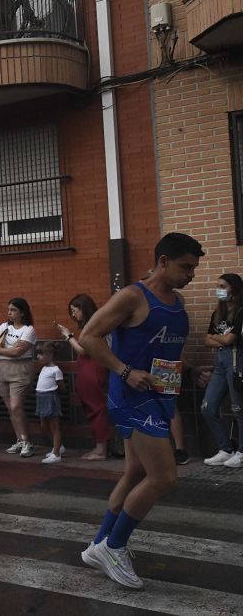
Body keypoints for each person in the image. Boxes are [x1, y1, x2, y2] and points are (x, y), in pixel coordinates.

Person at [79, 232, 204, 589]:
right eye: (185, 267)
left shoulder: (176, 302)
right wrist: (124, 371)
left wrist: (193, 372)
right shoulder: (132, 296)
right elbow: (89, 335)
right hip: (132, 399)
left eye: (194, 268)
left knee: (135, 472)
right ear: (163, 262)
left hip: (160, 397)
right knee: (164, 477)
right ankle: (114, 547)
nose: (191, 274)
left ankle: (99, 544)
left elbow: (166, 356)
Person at [56, 295, 110, 460]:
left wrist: (68, 335)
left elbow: (83, 349)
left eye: (75, 310)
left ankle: (101, 449)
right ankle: (99, 446)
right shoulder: (93, 323)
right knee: (92, 406)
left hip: (92, 369)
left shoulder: (93, 324)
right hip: (88, 368)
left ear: (83, 308)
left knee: (95, 408)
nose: (73, 315)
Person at [201, 273, 243, 468]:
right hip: (219, 364)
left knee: (238, 408)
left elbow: (229, 340)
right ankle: (225, 449)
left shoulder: (241, 311)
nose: (219, 289)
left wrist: (218, 338)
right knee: (208, 408)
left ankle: (241, 452)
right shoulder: (217, 313)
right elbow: (206, 340)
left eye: (222, 286)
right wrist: (220, 338)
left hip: (236, 362)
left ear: (233, 288)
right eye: (218, 285)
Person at [0, 297, 37, 458]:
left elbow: (18, 352)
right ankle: (19, 439)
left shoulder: (28, 329)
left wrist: (0, 350)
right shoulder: (4, 326)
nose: (9, 313)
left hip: (20, 370)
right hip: (1, 369)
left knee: (16, 406)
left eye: (13, 310)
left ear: (22, 312)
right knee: (10, 407)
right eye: (8, 309)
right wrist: (7, 351)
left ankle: (27, 441)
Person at [35, 342, 64, 464]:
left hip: (50, 397)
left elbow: (61, 386)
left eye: (41, 354)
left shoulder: (56, 370)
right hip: (41, 397)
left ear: (50, 354)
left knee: (54, 427)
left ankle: (56, 454)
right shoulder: (44, 368)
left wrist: (54, 393)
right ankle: (58, 447)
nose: (38, 357)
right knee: (44, 425)